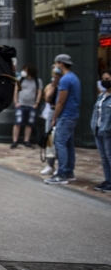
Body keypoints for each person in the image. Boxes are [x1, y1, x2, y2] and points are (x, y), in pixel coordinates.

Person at [44, 54, 81, 185]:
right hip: (72, 115)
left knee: (60, 143)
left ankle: (62, 173)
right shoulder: (74, 78)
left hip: (66, 115)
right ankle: (69, 171)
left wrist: (55, 117)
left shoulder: (65, 80)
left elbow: (60, 101)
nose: (55, 66)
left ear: (60, 63)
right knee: (68, 144)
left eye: (56, 64)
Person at [11, 65, 42, 149]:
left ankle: (26, 140)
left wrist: (37, 103)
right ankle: (15, 141)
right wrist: (16, 101)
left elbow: (39, 92)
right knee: (18, 123)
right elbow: (16, 90)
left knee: (29, 124)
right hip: (20, 105)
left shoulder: (37, 81)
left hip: (31, 105)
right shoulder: (20, 79)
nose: (24, 71)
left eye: (25, 70)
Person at [91, 70, 111, 193]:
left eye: (108, 78)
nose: (105, 81)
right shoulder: (101, 96)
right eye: (103, 78)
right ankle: (107, 180)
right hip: (98, 129)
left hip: (108, 131)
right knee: (103, 157)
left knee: (110, 156)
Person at [40, 67, 62, 175]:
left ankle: (59, 165)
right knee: (49, 138)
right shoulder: (51, 86)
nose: (55, 77)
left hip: (61, 113)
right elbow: (48, 98)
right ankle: (50, 164)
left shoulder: (64, 85)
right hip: (51, 111)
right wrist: (54, 85)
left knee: (59, 140)